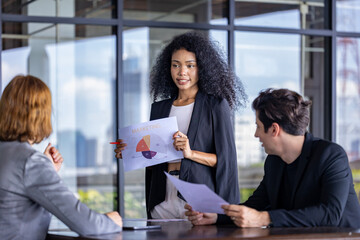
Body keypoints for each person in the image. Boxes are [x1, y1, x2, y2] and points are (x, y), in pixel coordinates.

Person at [114, 32, 246, 219]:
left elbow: (226, 161)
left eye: (190, 66)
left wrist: (190, 153)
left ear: (203, 68)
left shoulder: (215, 106)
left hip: (196, 203)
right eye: (175, 65)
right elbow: (154, 160)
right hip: (162, 201)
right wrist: (130, 153)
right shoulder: (159, 108)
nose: (182, 72)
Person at [185, 88, 360, 228]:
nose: (256, 134)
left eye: (259, 127)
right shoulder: (274, 161)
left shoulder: (331, 155)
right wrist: (216, 217)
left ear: (274, 129)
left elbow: (330, 214)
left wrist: (264, 218)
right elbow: (256, 205)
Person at [0, 75, 122, 240]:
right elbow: (86, 224)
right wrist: (110, 221)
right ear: (41, 114)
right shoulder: (30, 162)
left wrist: (46, 169)